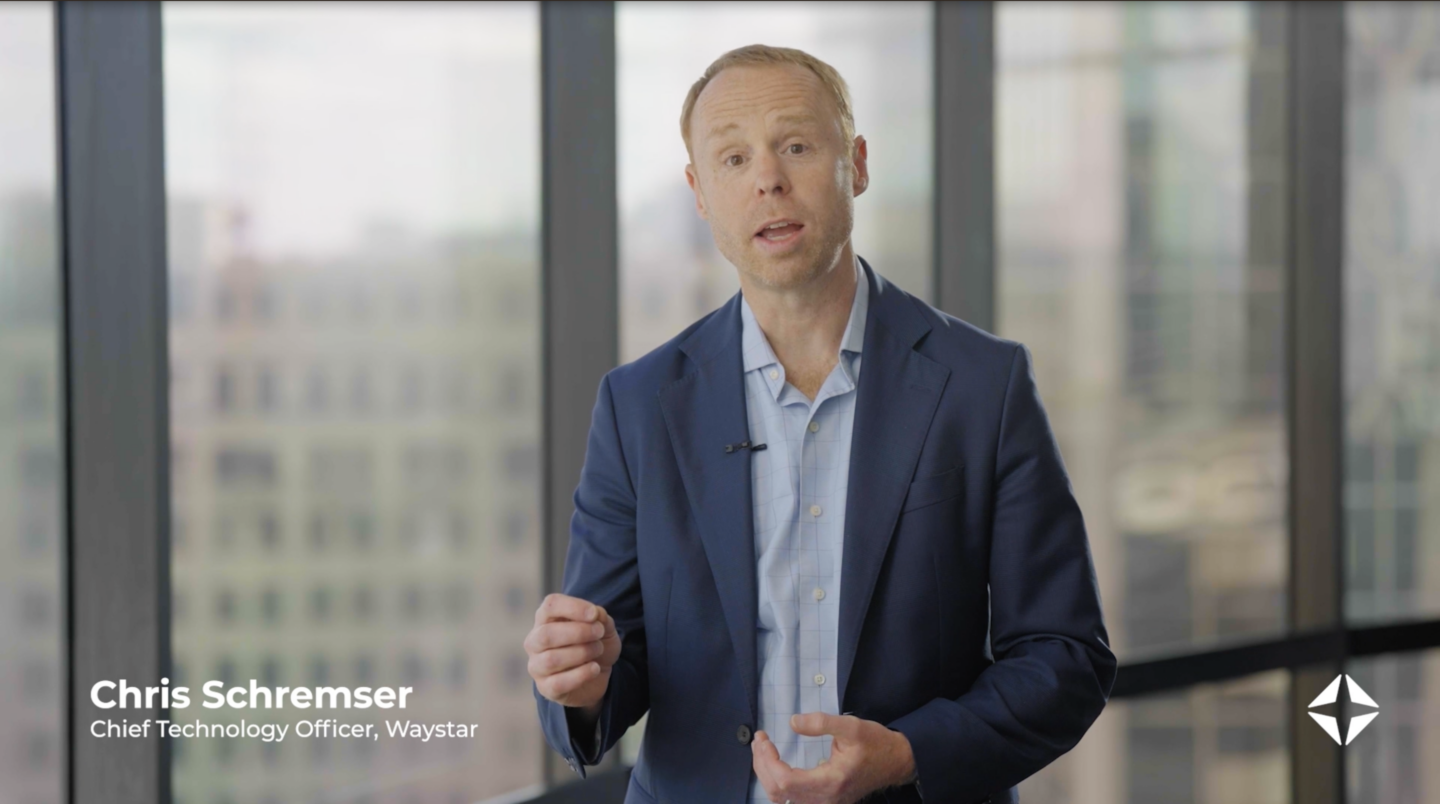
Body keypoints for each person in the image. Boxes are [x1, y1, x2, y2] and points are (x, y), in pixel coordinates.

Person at [527, 44, 1115, 804]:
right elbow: (607, 673)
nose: (767, 177)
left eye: (796, 146)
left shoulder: (983, 384)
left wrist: (908, 754)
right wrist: (580, 681)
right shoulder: (638, 404)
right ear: (700, 193)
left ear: (857, 165)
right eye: (732, 159)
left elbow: (1065, 658)